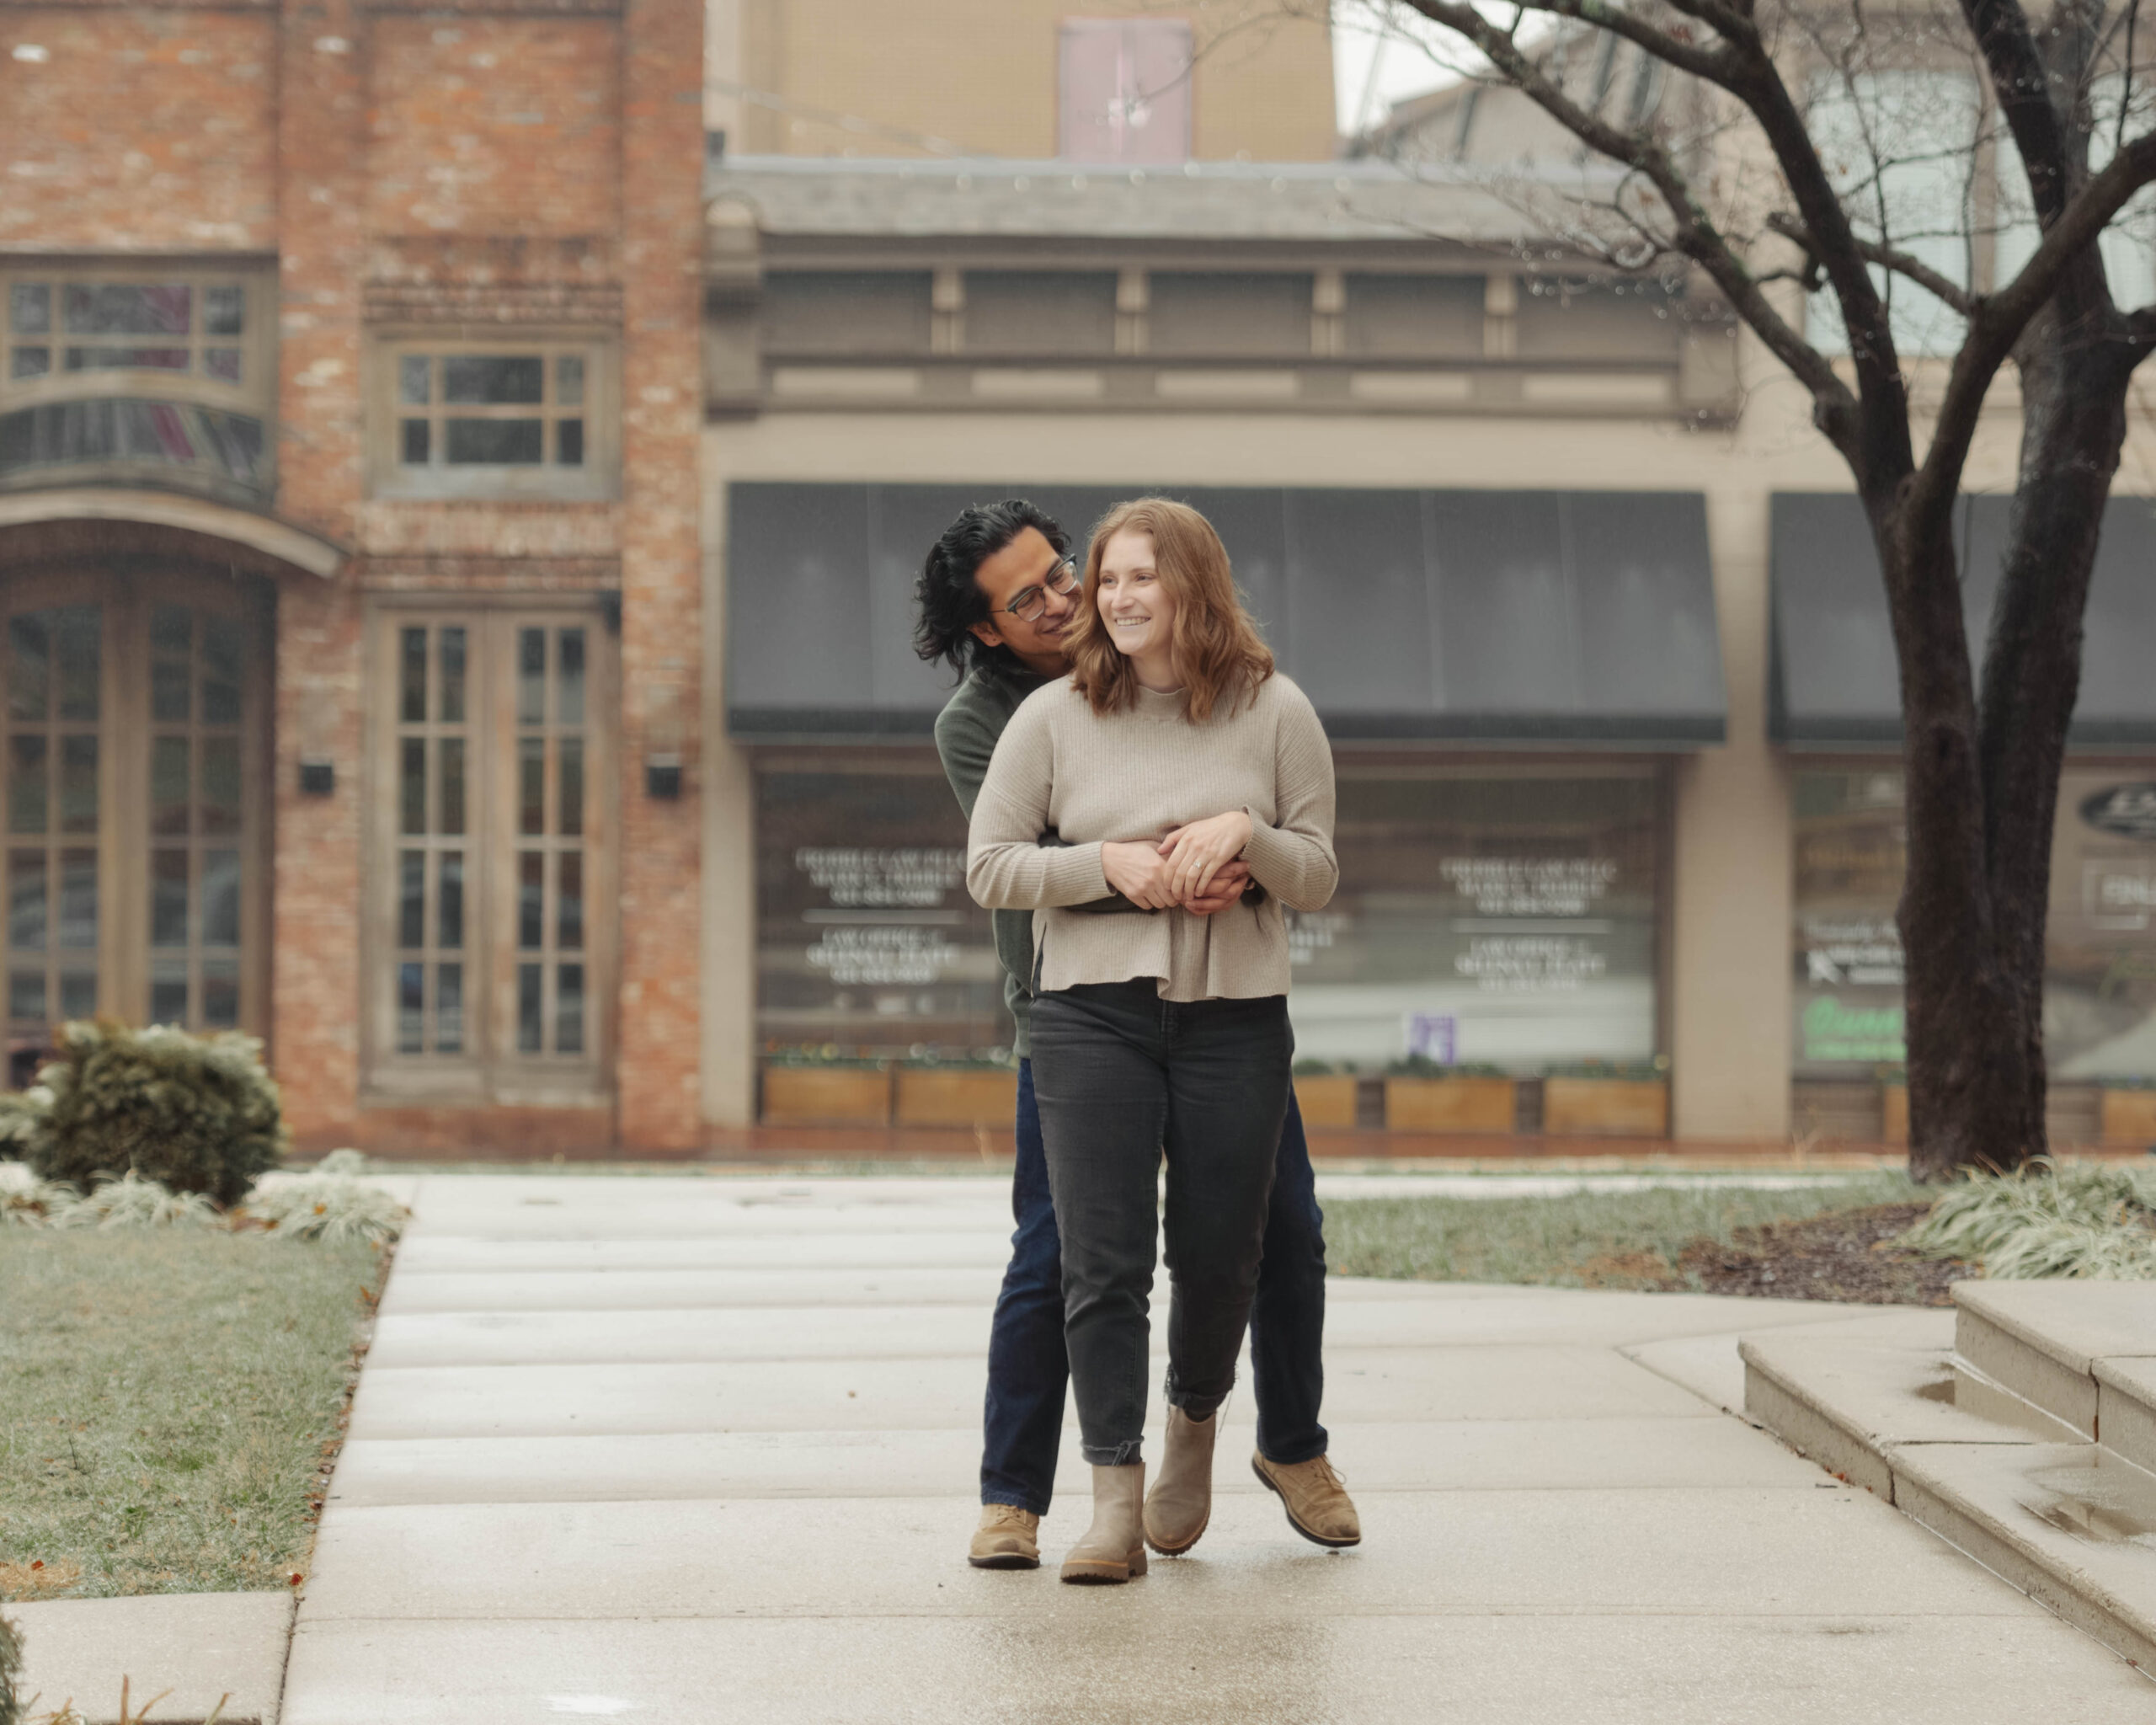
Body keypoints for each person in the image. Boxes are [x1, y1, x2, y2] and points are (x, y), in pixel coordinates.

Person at [917, 499, 1359, 1576]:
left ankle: (1279, 1444)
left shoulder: (1266, 705)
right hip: (1070, 1012)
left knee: (1264, 1237)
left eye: (1074, 572)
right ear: (988, 629)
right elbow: (1007, 869)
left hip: (1229, 1012)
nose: (1079, 598)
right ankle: (1025, 1495)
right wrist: (1140, 867)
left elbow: (1313, 860)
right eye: (1040, 596)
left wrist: (1243, 845)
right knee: (1066, 1252)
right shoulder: (1004, 719)